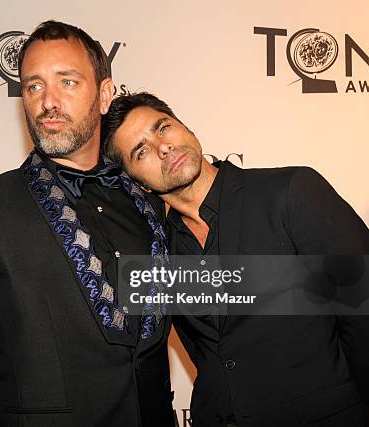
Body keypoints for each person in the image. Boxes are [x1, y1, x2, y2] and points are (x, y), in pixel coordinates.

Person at [0, 21, 174, 427]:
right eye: (34, 86)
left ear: (105, 94)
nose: (48, 102)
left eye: (68, 82)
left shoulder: (147, 199)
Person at [101, 92, 369, 426]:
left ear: (186, 128)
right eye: (141, 151)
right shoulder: (159, 250)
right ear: (136, 182)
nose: (163, 147)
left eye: (163, 128)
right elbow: (206, 350)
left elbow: (362, 310)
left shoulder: (289, 191)